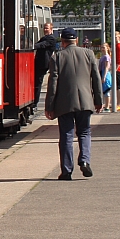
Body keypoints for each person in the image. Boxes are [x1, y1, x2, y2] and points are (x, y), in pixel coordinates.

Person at [45, 28, 103, 180]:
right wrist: (98, 101)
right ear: (76, 40)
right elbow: (96, 78)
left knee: (66, 136)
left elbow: (53, 83)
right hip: (85, 102)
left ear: (62, 42)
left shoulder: (57, 57)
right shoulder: (88, 54)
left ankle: (66, 171)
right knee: (84, 132)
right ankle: (84, 160)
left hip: (64, 104)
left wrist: (49, 106)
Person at [34, 22, 57, 100]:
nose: (45, 30)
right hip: (39, 62)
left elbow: (42, 45)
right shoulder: (45, 37)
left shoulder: (51, 38)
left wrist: (32, 46)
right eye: (44, 28)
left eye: (47, 28)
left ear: (51, 29)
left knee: (38, 83)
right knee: (36, 82)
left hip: (43, 64)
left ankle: (35, 102)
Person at [97, 43, 113, 107]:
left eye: (104, 47)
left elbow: (107, 67)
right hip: (102, 73)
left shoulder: (106, 57)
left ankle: (107, 106)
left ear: (107, 48)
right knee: (104, 91)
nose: (102, 49)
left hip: (105, 74)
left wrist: (104, 76)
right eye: (102, 47)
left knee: (107, 91)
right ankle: (106, 105)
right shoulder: (103, 57)